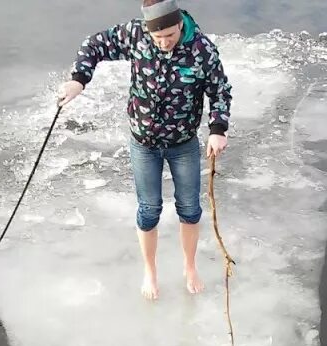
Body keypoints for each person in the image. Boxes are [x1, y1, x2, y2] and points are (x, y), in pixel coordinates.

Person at [58, 0, 233, 300]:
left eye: (170, 35)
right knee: (149, 209)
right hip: (144, 143)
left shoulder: (202, 49)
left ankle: (189, 267)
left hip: (183, 144)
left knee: (189, 209)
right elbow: (95, 44)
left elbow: (219, 90)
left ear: (179, 24)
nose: (164, 43)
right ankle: (150, 271)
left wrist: (218, 130)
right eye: (158, 37)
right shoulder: (135, 35)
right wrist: (79, 80)